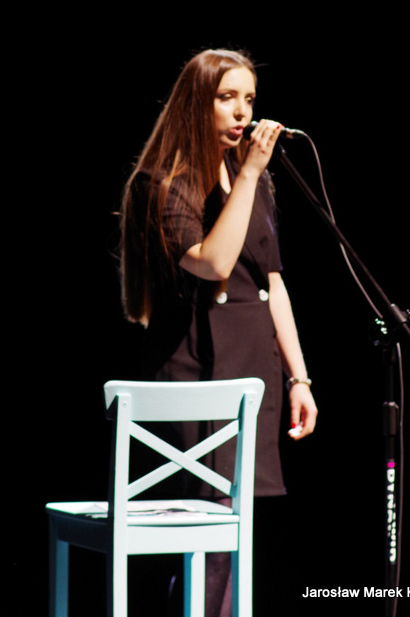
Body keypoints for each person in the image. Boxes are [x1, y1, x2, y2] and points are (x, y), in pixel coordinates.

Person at [119, 48, 317, 616]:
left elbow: (271, 282)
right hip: (198, 372)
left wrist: (299, 378)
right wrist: (249, 175)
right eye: (227, 97)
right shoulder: (162, 182)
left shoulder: (256, 181)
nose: (242, 112)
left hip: (254, 372)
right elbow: (213, 263)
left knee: (233, 542)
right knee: (204, 541)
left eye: (249, 98)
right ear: (195, 103)